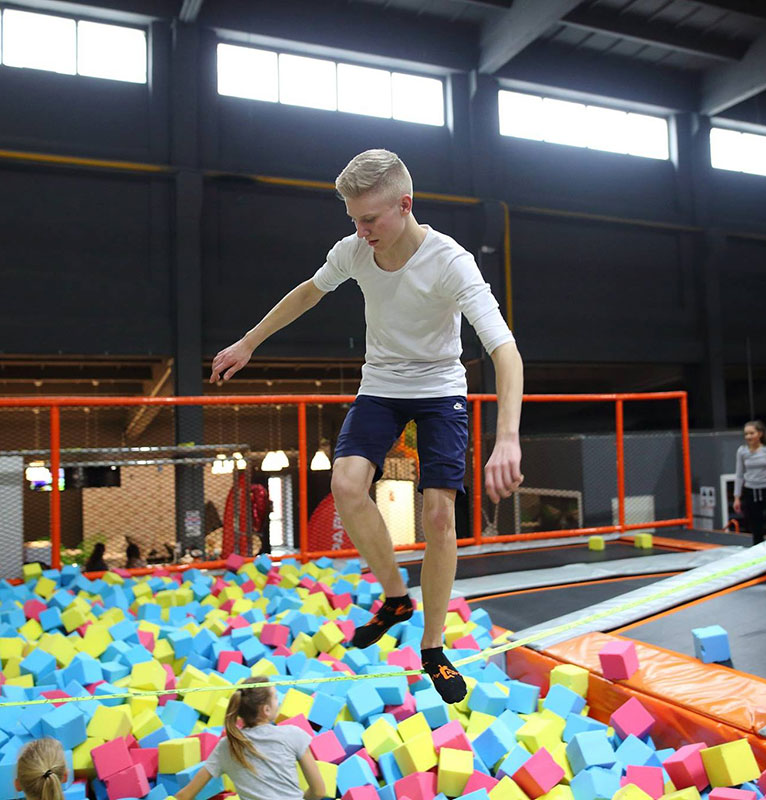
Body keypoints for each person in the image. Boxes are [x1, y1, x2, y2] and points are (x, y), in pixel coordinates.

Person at [210, 149, 523, 703]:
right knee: (347, 485)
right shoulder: (354, 251)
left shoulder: (451, 262)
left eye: (370, 220)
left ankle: (432, 647)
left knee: (439, 511)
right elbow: (309, 292)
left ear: (404, 206)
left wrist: (508, 437)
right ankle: (396, 596)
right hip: (381, 383)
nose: (360, 231)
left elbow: (504, 350)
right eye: (354, 220)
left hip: (438, 387)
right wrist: (248, 341)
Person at [174, 677, 325, 800]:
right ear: (266, 710)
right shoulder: (293, 734)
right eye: (275, 697)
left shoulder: (227, 745)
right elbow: (318, 791)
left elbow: (185, 795)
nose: (279, 702)